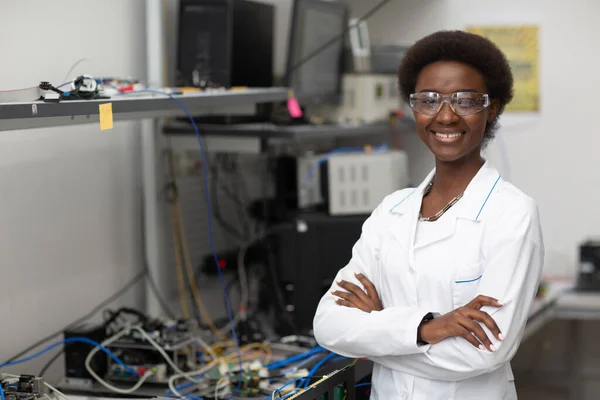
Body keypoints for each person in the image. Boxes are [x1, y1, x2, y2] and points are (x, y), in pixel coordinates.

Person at [313, 30, 544, 400]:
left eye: (466, 100)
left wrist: (376, 332)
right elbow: (327, 324)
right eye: (429, 100)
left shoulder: (511, 213)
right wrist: (426, 329)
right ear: (414, 107)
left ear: (493, 107)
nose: (446, 116)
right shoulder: (392, 211)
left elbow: (484, 351)